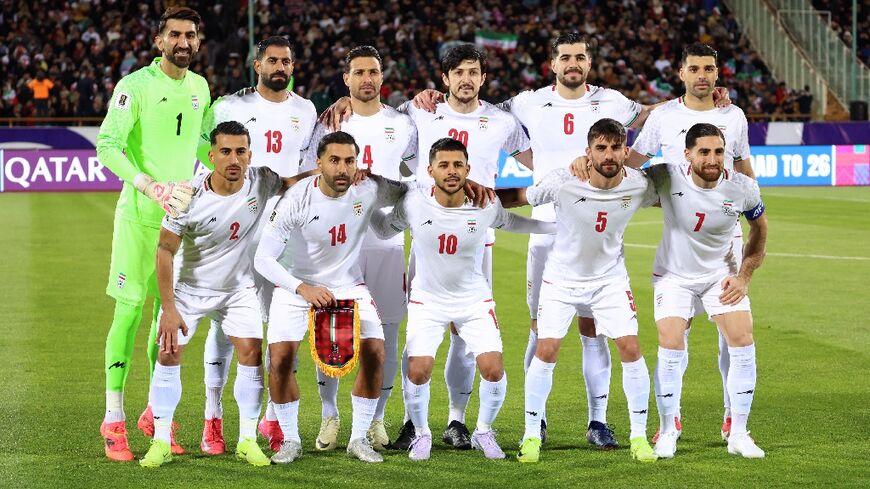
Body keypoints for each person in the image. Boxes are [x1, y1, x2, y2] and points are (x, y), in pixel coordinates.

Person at [412, 33, 729, 447]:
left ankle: (597, 421)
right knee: (539, 329)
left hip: (595, 232)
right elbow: (477, 106)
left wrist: (701, 93)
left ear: (589, 63)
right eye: (565, 58)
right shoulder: (526, 103)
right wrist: (429, 94)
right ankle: (535, 421)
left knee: (593, 327)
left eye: (580, 57)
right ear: (553, 64)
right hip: (546, 232)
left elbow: (654, 114)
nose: (572, 64)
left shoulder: (613, 101)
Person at [370, 138, 554, 461]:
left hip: (474, 300)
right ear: (430, 171)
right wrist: (364, 207)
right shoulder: (414, 202)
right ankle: (422, 433)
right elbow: (385, 230)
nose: (451, 171)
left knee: (493, 369)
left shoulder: (484, 204)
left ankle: (483, 430)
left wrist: (552, 227)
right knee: (418, 370)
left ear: (468, 169)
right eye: (443, 165)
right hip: (427, 301)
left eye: (458, 165)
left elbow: (512, 222)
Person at [140, 121, 308, 467]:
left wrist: (322, 172)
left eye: (241, 151)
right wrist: (169, 309)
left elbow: (291, 184)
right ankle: (160, 440)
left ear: (250, 154)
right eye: (227, 152)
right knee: (168, 353)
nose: (234, 159)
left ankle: (247, 439)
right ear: (212, 155)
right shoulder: (187, 197)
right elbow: (164, 251)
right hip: (190, 290)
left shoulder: (260, 180)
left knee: (250, 352)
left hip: (237, 290)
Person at [498, 118, 659, 464]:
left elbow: (678, 195)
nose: (609, 154)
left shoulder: (639, 184)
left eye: (616, 147)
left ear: (626, 151)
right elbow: (518, 197)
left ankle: (639, 437)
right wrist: (475, 197)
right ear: (588, 152)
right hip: (561, 279)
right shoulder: (562, 181)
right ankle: (530, 436)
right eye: (601, 147)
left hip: (610, 281)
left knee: (630, 347)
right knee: (547, 348)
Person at [193, 35, 318, 456]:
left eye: (286, 61)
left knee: (282, 326)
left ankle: (270, 417)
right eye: (271, 61)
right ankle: (213, 417)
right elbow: (204, 161)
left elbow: (303, 172)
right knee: (225, 326)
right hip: (238, 232)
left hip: (287, 234)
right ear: (257, 64)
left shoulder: (306, 110)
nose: (279, 67)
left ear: (293, 65)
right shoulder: (230, 107)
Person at [253, 131, 409, 464]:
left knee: (376, 352)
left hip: (349, 285)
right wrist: (302, 289)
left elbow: (408, 194)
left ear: (358, 163)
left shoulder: (368, 189)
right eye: (334, 160)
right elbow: (263, 259)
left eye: (349, 161)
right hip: (296, 286)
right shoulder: (295, 198)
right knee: (279, 360)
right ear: (319, 162)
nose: (342, 169)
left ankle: (358, 438)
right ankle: (291, 440)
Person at [96, 6, 210, 462]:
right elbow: (108, 144)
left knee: (169, 321)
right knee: (128, 314)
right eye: (175, 35)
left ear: (198, 42)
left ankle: (153, 413)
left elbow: (201, 140)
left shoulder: (200, 87)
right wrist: (149, 184)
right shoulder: (135, 87)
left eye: (191, 35)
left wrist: (215, 170)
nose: (183, 42)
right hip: (139, 219)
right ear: (160, 41)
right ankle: (113, 419)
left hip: (178, 224)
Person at [628, 43, 754, 442]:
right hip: (680, 240)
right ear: (680, 73)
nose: (703, 75)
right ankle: (672, 418)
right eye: (695, 68)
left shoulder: (733, 116)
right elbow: (633, 163)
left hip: (725, 241)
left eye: (710, 68)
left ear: (718, 74)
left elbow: (745, 170)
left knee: (730, 334)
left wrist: (747, 204)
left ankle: (733, 417)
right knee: (675, 334)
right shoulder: (663, 117)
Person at [303, 45, 417, 452]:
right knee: (331, 330)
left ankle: (376, 419)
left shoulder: (402, 124)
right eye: (358, 72)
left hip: (385, 242)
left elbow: (418, 175)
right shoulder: (328, 121)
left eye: (373, 71)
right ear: (346, 79)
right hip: (336, 245)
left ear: (382, 78)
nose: (366, 78)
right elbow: (309, 171)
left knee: (385, 331)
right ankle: (330, 414)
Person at [648, 123, 767, 460]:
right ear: (687, 154)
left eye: (718, 151)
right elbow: (618, 186)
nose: (713, 159)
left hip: (721, 275)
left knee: (742, 339)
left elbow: (760, 228)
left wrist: (743, 276)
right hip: (674, 276)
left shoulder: (742, 188)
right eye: (704, 151)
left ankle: (739, 433)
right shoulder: (665, 177)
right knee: (670, 341)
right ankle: (669, 429)